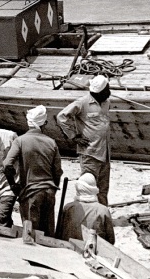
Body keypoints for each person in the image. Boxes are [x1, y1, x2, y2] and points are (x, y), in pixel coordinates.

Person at [3, 105, 63, 236]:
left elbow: (7, 164)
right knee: (48, 236)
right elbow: (57, 172)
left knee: (31, 236)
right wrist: (53, 188)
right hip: (49, 192)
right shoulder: (51, 142)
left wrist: (13, 185)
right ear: (44, 124)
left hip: (31, 194)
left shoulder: (20, 141)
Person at [57, 75, 111, 205]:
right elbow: (62, 117)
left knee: (103, 189)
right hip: (90, 153)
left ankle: (102, 213)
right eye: (107, 89)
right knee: (87, 188)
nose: (109, 91)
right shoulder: (82, 102)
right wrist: (74, 136)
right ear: (100, 92)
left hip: (105, 154)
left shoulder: (106, 102)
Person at [58, 173, 115, 245]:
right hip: (93, 251)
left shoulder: (68, 207)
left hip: (69, 249)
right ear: (94, 189)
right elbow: (111, 240)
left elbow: (60, 234)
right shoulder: (103, 210)